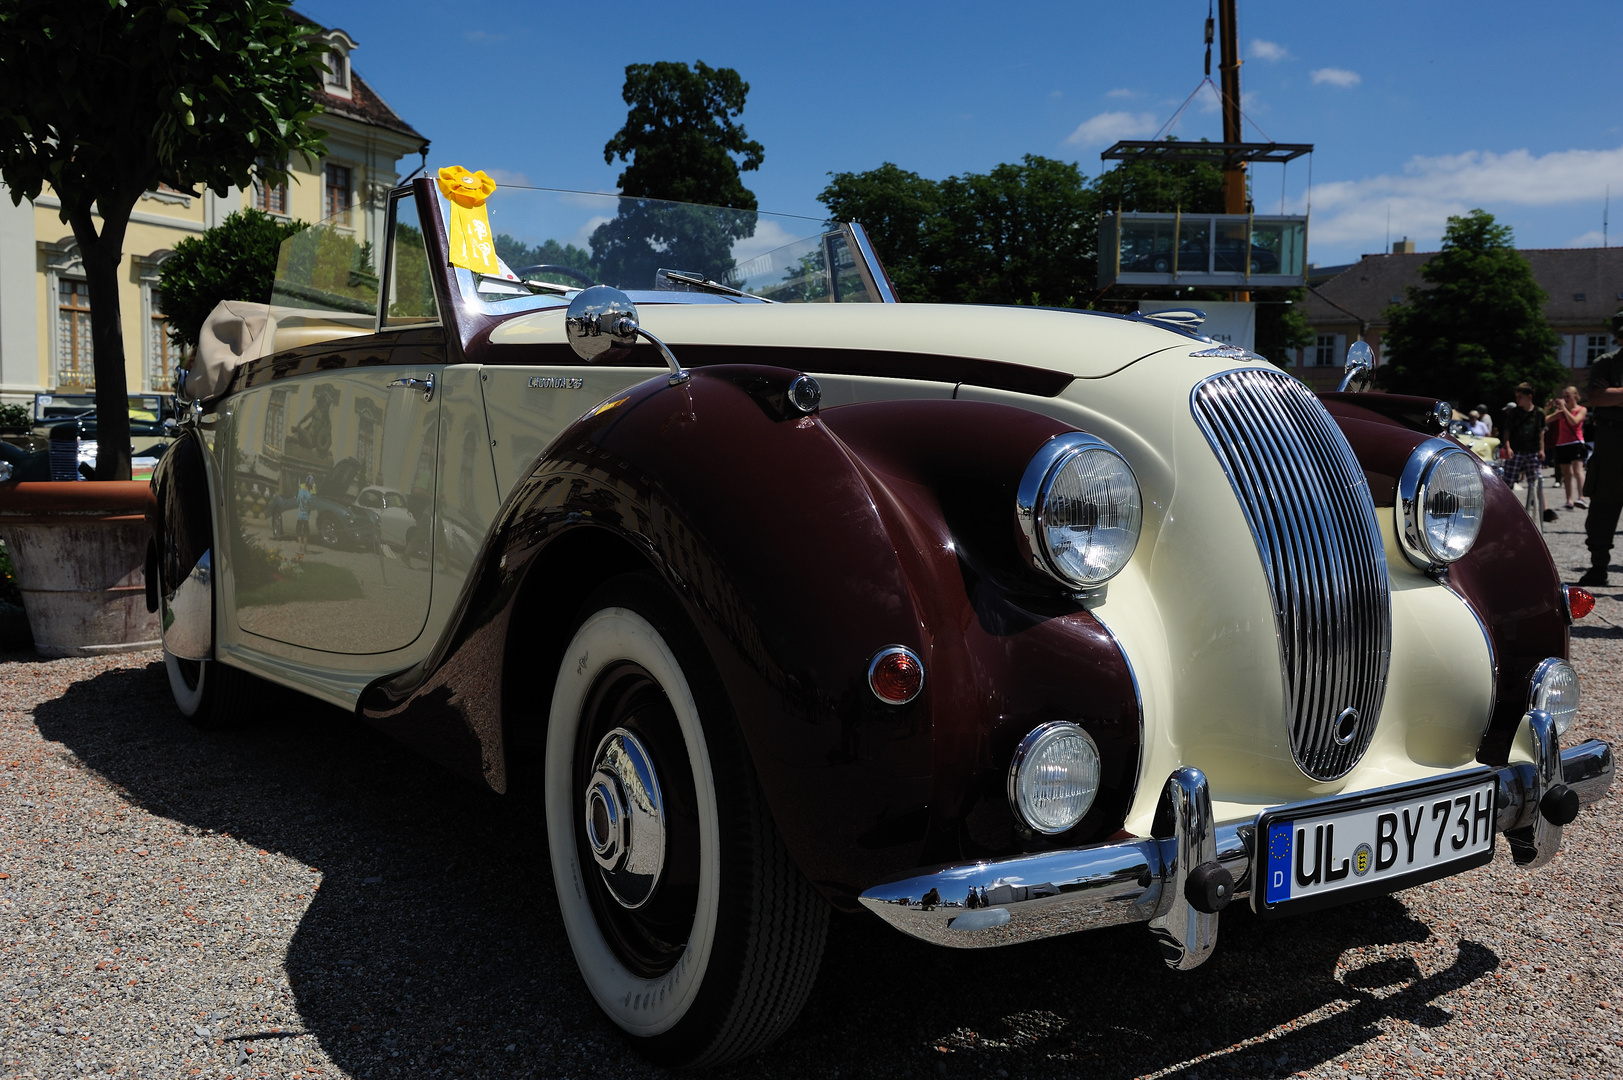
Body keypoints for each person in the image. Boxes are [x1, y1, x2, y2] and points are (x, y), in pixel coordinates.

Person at [1580, 312, 1623, 585]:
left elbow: (1607, 396)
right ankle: (1599, 567)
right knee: (1603, 506)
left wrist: (1615, 396)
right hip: (1612, 441)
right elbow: (1595, 396)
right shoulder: (1606, 362)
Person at [1499, 382, 1547, 509]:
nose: (1517, 400)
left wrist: (1542, 449)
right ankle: (1502, 507)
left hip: (1532, 451)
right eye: (1517, 397)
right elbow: (1507, 430)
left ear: (1529, 396)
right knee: (1508, 480)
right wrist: (1508, 447)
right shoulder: (1515, 412)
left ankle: (1543, 508)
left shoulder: (1539, 413)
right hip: (1516, 450)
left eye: (1520, 397)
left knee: (1535, 480)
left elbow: (1541, 432)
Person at [1546, 385, 1588, 510]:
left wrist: (1564, 409)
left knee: (1577, 470)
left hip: (1576, 442)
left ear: (1575, 396)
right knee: (1566, 473)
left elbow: (1574, 422)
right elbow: (1545, 420)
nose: (1566, 398)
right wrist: (1548, 408)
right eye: (1564, 397)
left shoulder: (1582, 409)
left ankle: (1581, 497)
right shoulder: (1562, 412)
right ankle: (1569, 501)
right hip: (1562, 444)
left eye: (1568, 396)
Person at [295, 474, 313, 556]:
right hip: (306, 516)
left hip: (299, 515)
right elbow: (310, 506)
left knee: (298, 531)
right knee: (306, 532)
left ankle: (300, 547)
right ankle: (305, 549)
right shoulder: (309, 495)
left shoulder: (300, 492)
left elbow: (297, 502)